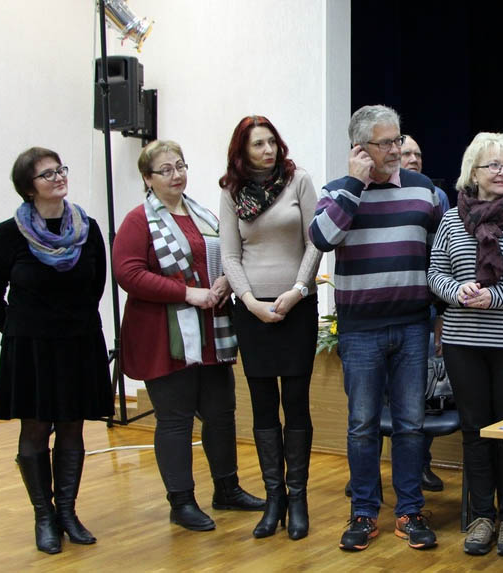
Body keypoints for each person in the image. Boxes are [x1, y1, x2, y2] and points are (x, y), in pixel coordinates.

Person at [113, 140, 263, 532]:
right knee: (176, 420)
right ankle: (181, 502)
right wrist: (186, 293)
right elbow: (128, 273)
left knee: (221, 412)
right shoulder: (138, 220)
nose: (176, 175)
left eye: (180, 166)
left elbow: (229, 252)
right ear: (147, 178)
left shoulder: (203, 214)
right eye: (166, 170)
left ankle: (227, 489)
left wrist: (226, 279)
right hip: (164, 338)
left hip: (212, 330)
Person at [310, 105, 442, 551]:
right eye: (385, 143)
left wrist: (441, 316)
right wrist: (354, 185)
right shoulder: (337, 191)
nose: (395, 150)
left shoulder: (424, 190)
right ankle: (364, 512)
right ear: (360, 148)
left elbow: (440, 256)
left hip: (412, 326)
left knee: (410, 424)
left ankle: (410, 510)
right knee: (362, 425)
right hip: (360, 329)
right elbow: (322, 238)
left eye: (397, 139)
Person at [428, 132, 503, 556]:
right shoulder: (451, 220)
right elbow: (435, 273)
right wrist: (456, 290)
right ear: (473, 172)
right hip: (464, 341)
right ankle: (483, 517)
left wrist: (494, 296)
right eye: (494, 165)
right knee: (475, 430)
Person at [0, 148, 113, 554]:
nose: (59, 177)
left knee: (73, 428)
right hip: (31, 349)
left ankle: (67, 513)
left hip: (78, 343)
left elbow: (96, 285)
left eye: (60, 169)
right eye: (47, 174)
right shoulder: (8, 234)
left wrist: (71, 323)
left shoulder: (87, 229)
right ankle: (43, 517)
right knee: (35, 429)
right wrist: (18, 330)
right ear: (29, 188)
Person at [219, 116, 322, 540]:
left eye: (272, 142)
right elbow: (229, 255)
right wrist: (249, 302)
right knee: (263, 405)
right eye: (258, 144)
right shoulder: (231, 191)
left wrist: (298, 290)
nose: (268, 151)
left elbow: (316, 241)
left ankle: (298, 499)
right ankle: (274, 498)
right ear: (241, 152)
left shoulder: (299, 181)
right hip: (252, 310)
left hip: (297, 305)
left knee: (295, 403)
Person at [402, 133, 449, 492]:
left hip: (424, 308)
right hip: (381, 311)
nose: (414, 159)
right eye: (407, 153)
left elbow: (442, 256)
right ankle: (366, 473)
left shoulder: (436, 196)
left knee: (425, 390)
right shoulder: (371, 192)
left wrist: (441, 314)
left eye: (418, 154)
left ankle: (421, 464)